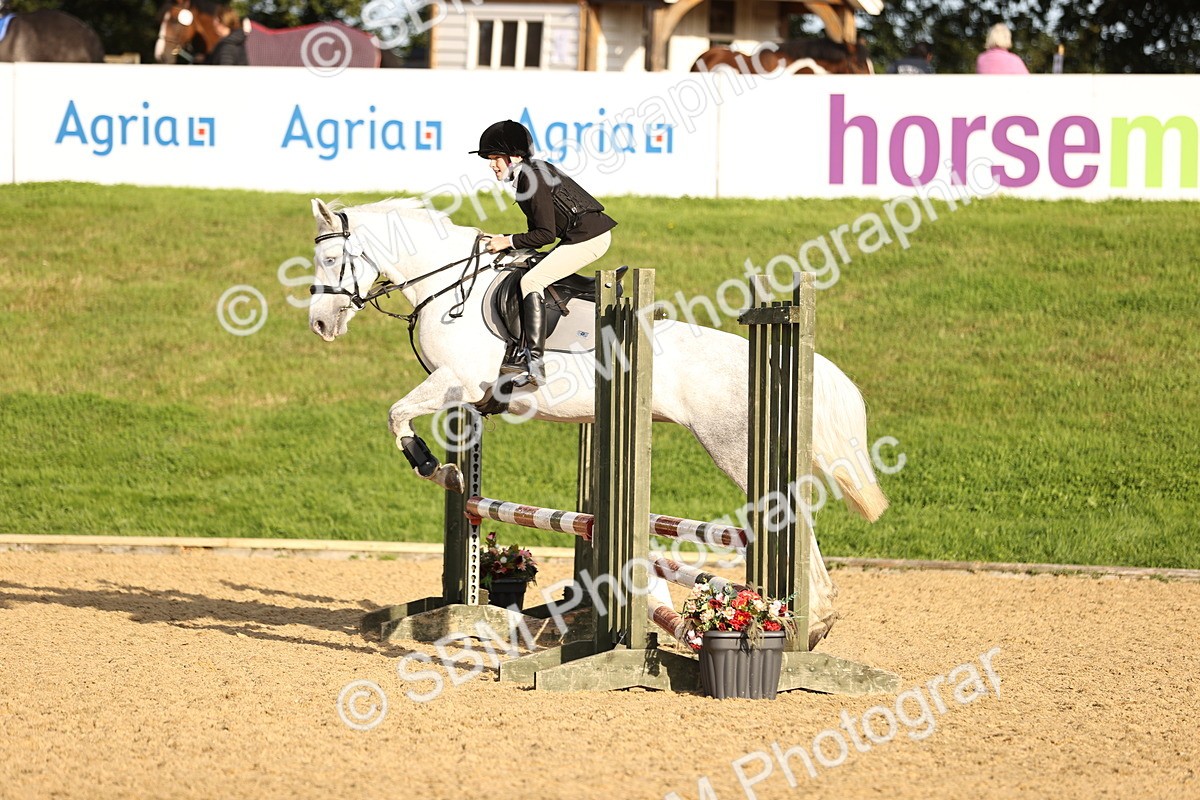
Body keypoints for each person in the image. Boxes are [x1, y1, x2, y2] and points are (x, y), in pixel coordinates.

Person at [471, 120, 617, 388]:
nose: (492, 165)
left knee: (531, 281)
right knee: (528, 265)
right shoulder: (528, 174)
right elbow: (537, 233)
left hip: (589, 238)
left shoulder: (532, 177)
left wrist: (507, 241)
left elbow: (545, 235)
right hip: (580, 236)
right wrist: (505, 240)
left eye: (495, 159)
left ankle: (534, 362)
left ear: (513, 156)